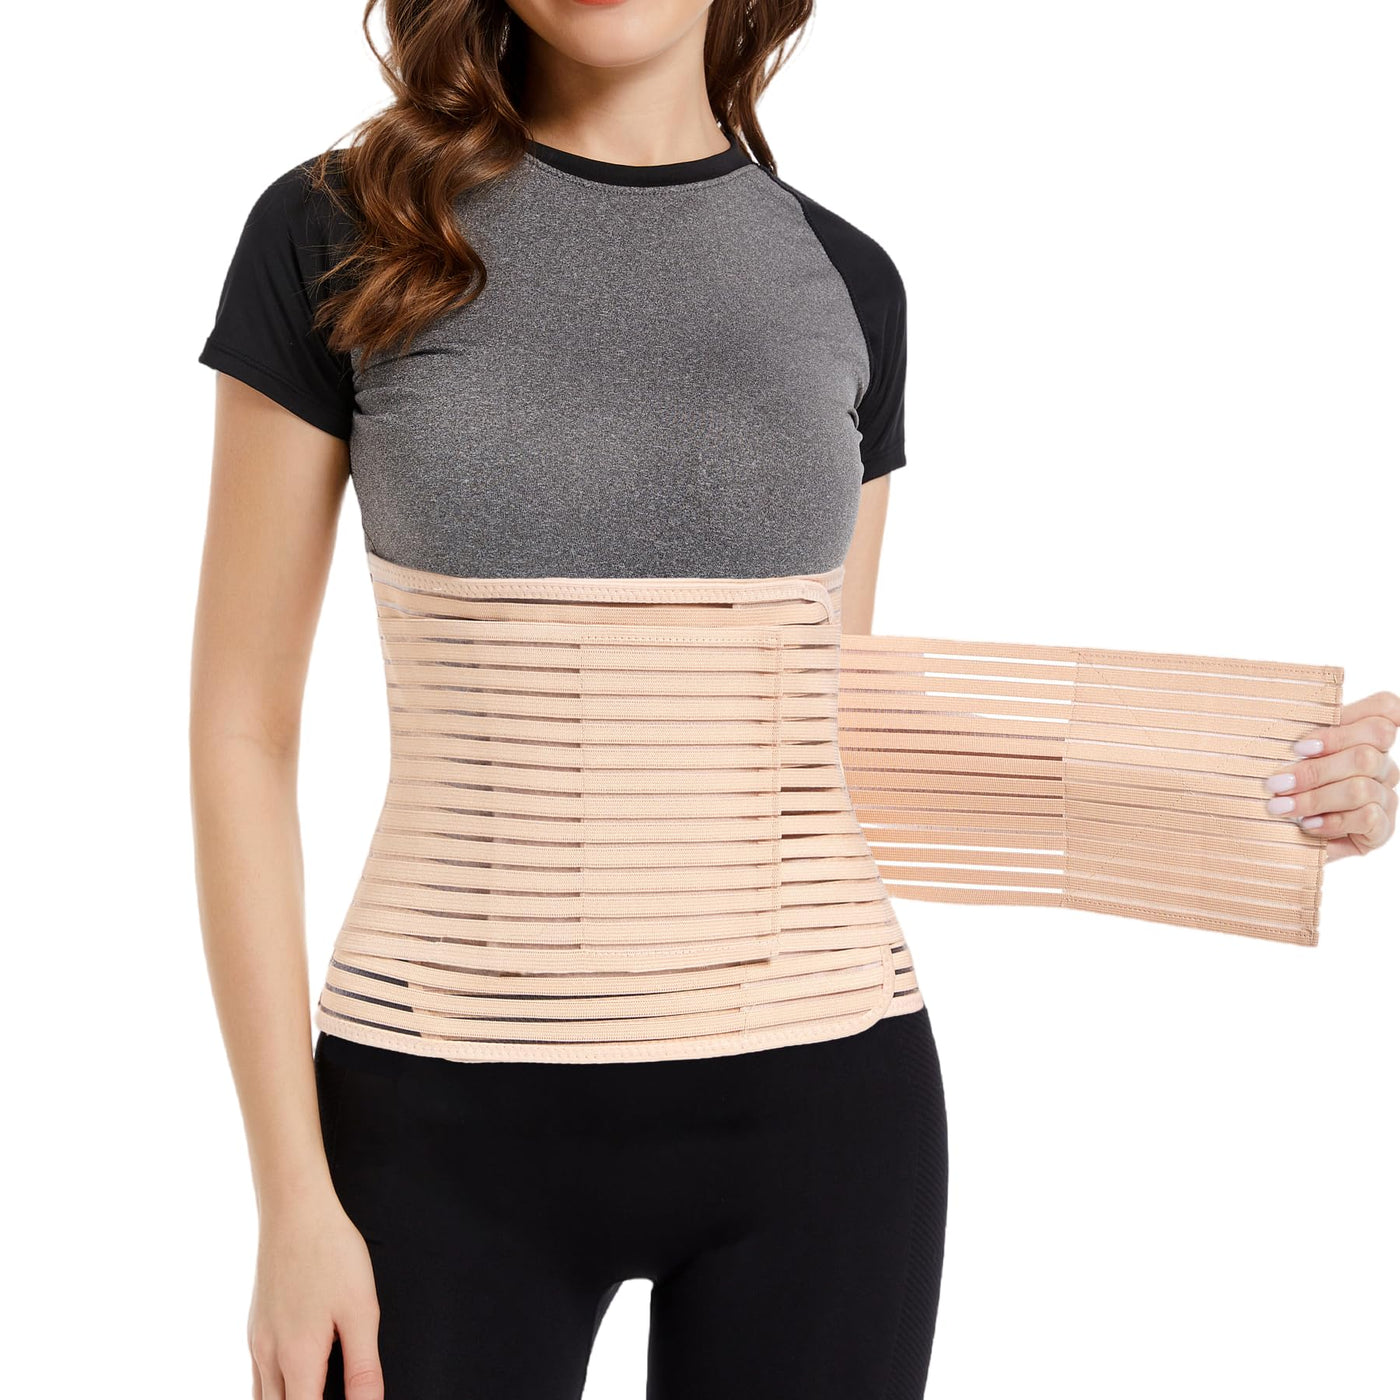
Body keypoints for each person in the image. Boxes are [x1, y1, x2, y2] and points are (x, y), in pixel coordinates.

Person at [189, 3, 1399, 1398]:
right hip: (437, 1115)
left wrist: (1264, 788)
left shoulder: (844, 281)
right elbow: (242, 733)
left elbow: (829, 740)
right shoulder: (348, 231)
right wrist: (289, 1195)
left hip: (823, 1112)